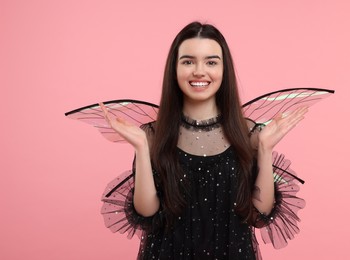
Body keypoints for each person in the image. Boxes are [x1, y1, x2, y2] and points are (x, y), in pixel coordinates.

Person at [99, 21, 308, 260]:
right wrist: (141, 147)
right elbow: (147, 214)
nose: (199, 71)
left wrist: (265, 148)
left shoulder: (248, 133)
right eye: (188, 61)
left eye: (211, 62)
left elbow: (261, 213)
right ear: (174, 70)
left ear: (224, 70)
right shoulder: (152, 135)